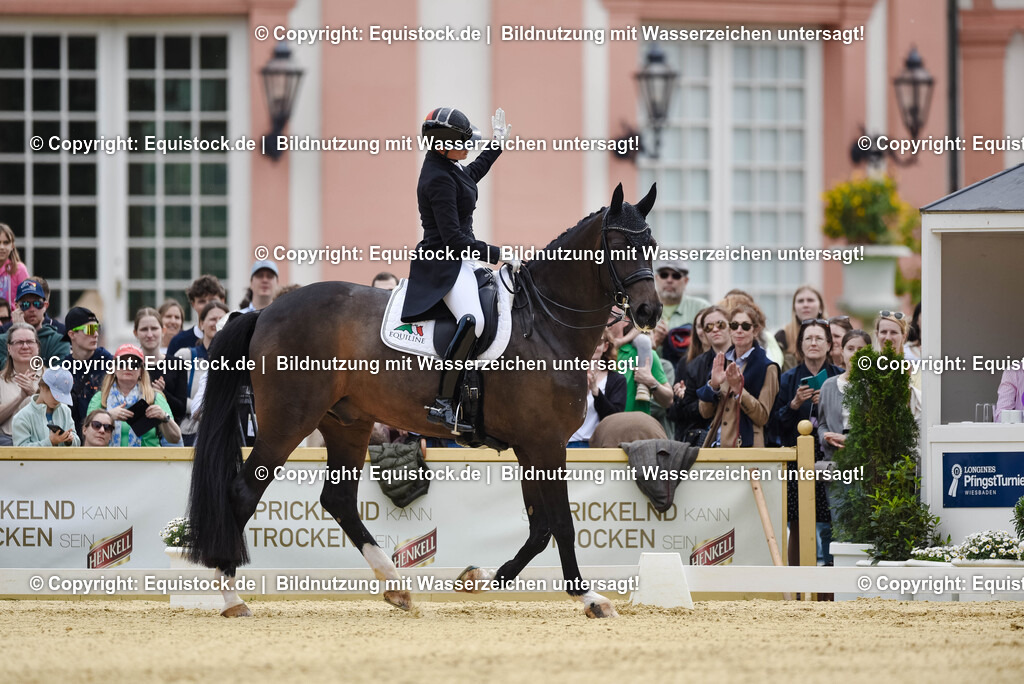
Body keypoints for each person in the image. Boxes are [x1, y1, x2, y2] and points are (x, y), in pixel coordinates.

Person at [401, 106, 516, 433]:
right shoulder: (436, 178)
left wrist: (496, 146)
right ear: (442, 144)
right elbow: (453, 238)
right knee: (473, 320)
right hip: (442, 260)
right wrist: (498, 253)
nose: (468, 147)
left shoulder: (447, 166)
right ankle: (444, 402)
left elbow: (470, 176)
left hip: (460, 256)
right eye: (463, 141)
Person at [773, 318, 843, 567]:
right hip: (797, 458)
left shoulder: (840, 377)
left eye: (819, 339)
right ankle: (798, 583)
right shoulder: (789, 378)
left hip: (832, 456)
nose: (813, 343)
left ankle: (830, 587)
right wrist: (793, 405)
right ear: (800, 346)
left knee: (832, 520)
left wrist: (825, 401)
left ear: (829, 345)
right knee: (798, 520)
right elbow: (775, 424)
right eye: (808, 339)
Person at [696, 301, 780, 448]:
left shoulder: (768, 367)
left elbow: (762, 417)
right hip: (716, 445)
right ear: (730, 329)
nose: (739, 330)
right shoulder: (722, 361)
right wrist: (713, 386)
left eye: (745, 326)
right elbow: (705, 413)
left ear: (755, 330)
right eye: (734, 325)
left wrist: (739, 390)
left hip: (748, 448)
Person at [86, 344, 181, 447]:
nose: (127, 367)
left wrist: (164, 417)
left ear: (141, 371)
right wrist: (108, 417)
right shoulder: (100, 398)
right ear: (114, 368)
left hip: (146, 461)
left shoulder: (154, 397)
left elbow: (175, 438)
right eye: (122, 363)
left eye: (134, 364)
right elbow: (87, 435)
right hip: (108, 461)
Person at [169, 301, 228, 445]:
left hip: (223, 433)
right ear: (201, 324)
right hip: (190, 431)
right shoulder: (185, 355)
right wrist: (201, 409)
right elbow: (171, 394)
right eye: (213, 319)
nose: (217, 323)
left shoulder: (235, 361)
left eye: (222, 319)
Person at [669, 306, 731, 443]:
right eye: (708, 327)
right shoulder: (692, 365)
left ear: (730, 326)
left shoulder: (745, 357)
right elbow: (681, 410)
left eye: (720, 324)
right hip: (706, 437)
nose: (715, 329)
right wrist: (711, 389)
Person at [818, 329, 872, 462]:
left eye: (860, 349)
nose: (855, 354)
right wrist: (826, 437)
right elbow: (822, 423)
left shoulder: (873, 387)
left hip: (865, 462)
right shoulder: (828, 386)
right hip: (834, 460)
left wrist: (849, 440)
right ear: (842, 351)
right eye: (850, 349)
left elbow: (876, 428)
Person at [60, 306, 112, 438]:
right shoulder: (63, 368)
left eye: (97, 328)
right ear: (72, 334)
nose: (95, 334)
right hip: (72, 439)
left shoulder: (109, 362)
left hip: (103, 438)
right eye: (89, 329)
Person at [607, 315, 674, 414]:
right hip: (601, 427)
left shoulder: (644, 354)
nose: (604, 319)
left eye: (611, 316)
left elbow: (668, 401)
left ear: (626, 320)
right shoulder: (593, 354)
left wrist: (651, 382)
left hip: (635, 426)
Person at [568, 333, 626, 447]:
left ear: (605, 346)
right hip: (568, 443)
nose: (593, 346)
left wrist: (596, 392)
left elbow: (615, 418)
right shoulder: (568, 375)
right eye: (588, 341)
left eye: (598, 342)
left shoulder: (617, 380)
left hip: (598, 445)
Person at [650, 260, 710, 368]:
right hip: (651, 375)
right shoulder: (642, 309)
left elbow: (711, 347)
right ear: (656, 278)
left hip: (690, 376)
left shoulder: (701, 308)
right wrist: (655, 341)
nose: (669, 280)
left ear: (686, 281)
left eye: (676, 276)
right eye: (664, 275)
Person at [0, 280, 70, 367]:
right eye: (25, 304)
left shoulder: (58, 341)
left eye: (37, 304)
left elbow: (58, 376)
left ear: (45, 306)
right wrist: (19, 332)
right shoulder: (2, 341)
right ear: (17, 307)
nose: (32, 309)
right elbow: (4, 372)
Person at [13, 367, 79, 447]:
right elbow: (20, 451)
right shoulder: (22, 417)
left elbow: (77, 442)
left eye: (62, 397)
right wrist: (50, 442)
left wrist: (70, 440)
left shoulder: (65, 411)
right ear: (42, 387)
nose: (58, 400)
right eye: (56, 395)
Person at [165, 275, 226, 359]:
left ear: (222, 301)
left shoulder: (234, 340)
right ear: (193, 304)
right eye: (202, 301)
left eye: (213, 300)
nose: (208, 305)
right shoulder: (179, 342)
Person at [0, 323, 40, 445]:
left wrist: (34, 394)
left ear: (37, 346)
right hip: (6, 446)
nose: (25, 346)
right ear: (9, 348)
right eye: (19, 342)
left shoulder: (52, 377)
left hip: (42, 445)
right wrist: (20, 397)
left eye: (30, 341)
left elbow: (59, 416)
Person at [775, 285, 826, 373]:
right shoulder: (783, 336)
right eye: (800, 301)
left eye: (810, 300)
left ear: (820, 306)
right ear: (794, 307)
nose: (805, 305)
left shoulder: (834, 333)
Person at [0, 223, 29, 308]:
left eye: (6, 243)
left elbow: (27, 300)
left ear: (12, 246)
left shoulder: (20, 269)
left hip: (13, 320)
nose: (1, 247)